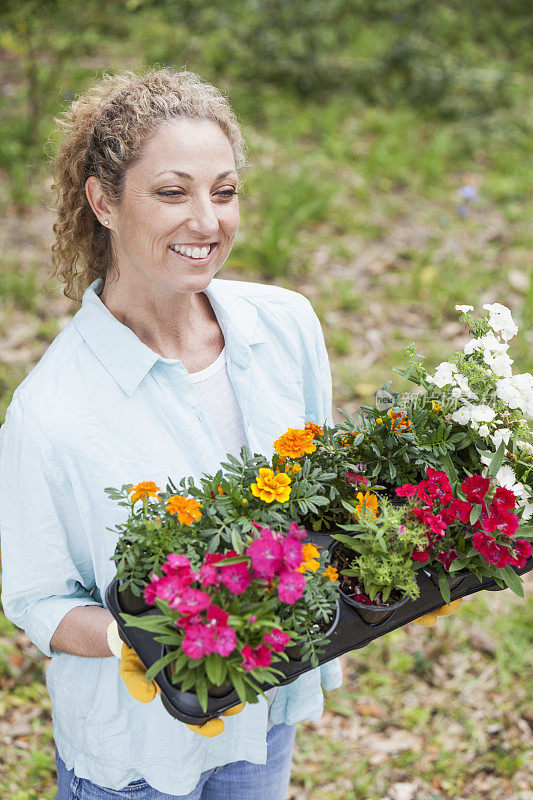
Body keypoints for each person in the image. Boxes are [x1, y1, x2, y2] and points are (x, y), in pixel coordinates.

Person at [0, 67, 344, 799]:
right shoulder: (53, 409)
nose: (206, 221)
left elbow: (321, 497)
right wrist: (134, 638)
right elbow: (36, 599)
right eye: (170, 192)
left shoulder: (284, 327)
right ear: (103, 201)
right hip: (136, 750)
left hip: (261, 708)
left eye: (223, 192)